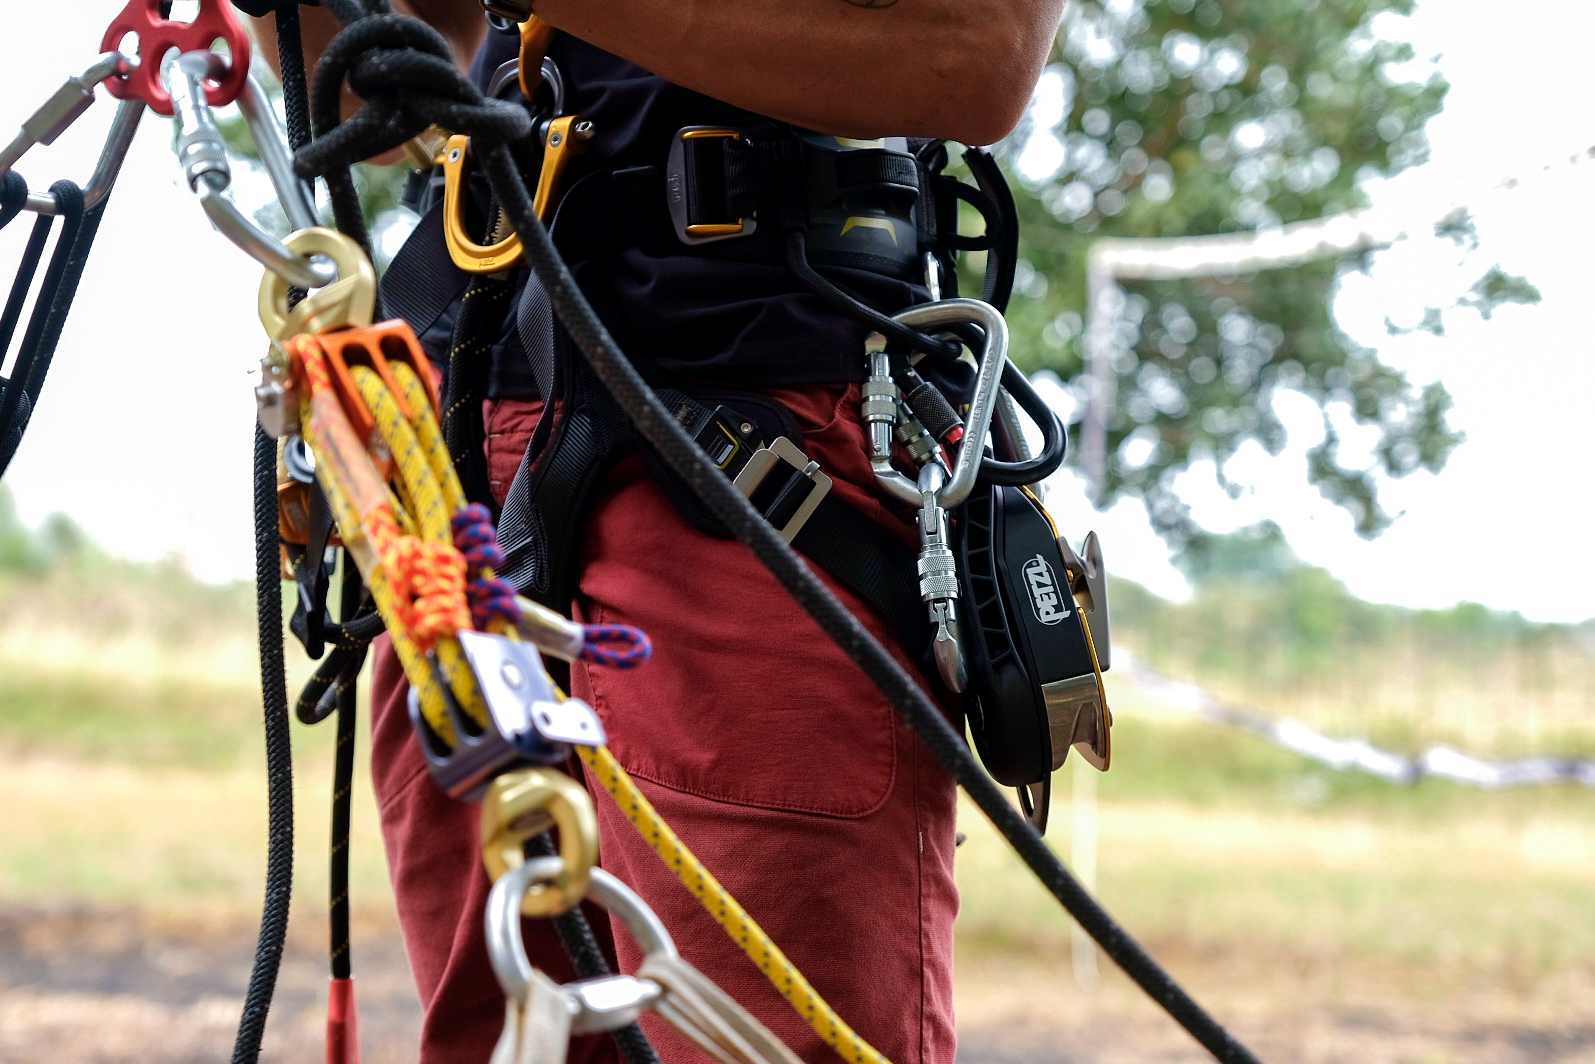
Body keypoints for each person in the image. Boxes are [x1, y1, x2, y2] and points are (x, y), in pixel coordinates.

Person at [254, 1, 1064, 1062]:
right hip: (469, 450)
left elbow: (973, 58)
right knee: (501, 1033)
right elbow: (365, 65)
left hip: (752, 446)